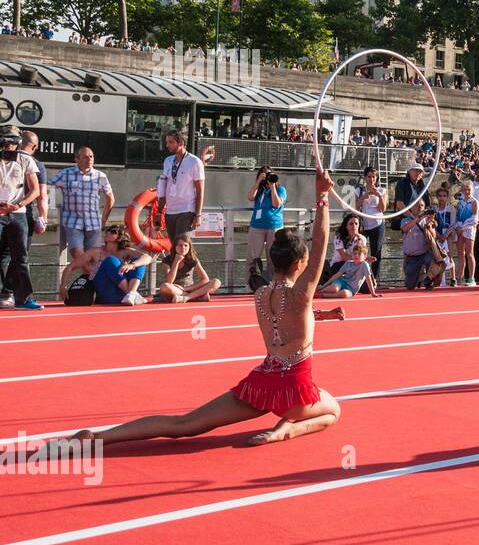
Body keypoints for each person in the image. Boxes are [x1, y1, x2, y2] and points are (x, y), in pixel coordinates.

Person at [40, 171, 342, 452]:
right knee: (334, 412)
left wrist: (321, 315)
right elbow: (320, 248)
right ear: (300, 265)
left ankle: (97, 437)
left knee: (184, 424)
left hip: (261, 385)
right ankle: (286, 429)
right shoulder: (302, 295)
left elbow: (286, 320)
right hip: (295, 393)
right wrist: (322, 199)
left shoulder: (262, 294)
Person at [0, 125, 41, 310]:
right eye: (6, 141)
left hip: (18, 214)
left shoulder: (26, 160)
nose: (9, 146)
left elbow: (35, 190)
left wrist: (17, 205)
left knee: (21, 258)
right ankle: (3, 295)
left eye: (13, 142)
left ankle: (24, 299)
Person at [49, 145, 114, 260]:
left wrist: (103, 220)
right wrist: (49, 207)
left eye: (91, 156)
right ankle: (90, 275)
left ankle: (90, 277)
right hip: (72, 221)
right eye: (85, 157)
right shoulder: (65, 174)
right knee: (77, 254)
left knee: (94, 257)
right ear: (76, 160)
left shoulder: (101, 176)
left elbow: (110, 198)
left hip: (93, 222)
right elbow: (47, 187)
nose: (89, 160)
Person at [156, 130, 205, 253]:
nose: (167, 145)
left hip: (186, 210)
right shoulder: (167, 161)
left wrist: (198, 215)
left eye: (171, 142)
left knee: (183, 247)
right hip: (170, 211)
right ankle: (176, 272)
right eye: (167, 142)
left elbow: (200, 191)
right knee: (174, 248)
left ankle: (187, 272)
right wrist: (159, 211)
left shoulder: (195, 162)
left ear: (181, 142)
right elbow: (163, 186)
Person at [155, 234, 221, 303]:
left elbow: (205, 279)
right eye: (180, 245)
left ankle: (187, 297)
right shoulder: (167, 260)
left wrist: (186, 288)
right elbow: (169, 281)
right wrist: (176, 262)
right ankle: (197, 297)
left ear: (189, 247)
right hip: (175, 289)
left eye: (186, 245)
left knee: (216, 282)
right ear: (175, 247)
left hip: (191, 288)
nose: (183, 248)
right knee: (164, 287)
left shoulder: (192, 259)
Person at [247, 167, 287, 271]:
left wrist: (272, 186)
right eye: (265, 175)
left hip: (274, 227)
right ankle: (250, 283)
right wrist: (259, 181)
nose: (267, 177)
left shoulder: (280, 189)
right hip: (257, 226)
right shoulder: (259, 189)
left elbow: (276, 204)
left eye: (269, 174)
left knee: (273, 258)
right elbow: (250, 197)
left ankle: (272, 283)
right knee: (252, 258)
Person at [356, 166, 387, 285]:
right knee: (359, 250)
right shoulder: (359, 190)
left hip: (377, 224)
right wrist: (364, 196)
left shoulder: (382, 191)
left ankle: (374, 280)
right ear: (365, 178)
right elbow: (356, 207)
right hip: (364, 224)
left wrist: (379, 196)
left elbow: (382, 208)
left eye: (374, 177)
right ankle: (358, 277)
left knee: (376, 252)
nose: (371, 179)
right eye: (369, 177)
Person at [453, 179, 479, 286]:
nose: (466, 192)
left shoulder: (474, 202)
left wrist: (462, 228)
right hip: (459, 230)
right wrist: (456, 227)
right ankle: (460, 277)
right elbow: (457, 216)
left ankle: (472, 278)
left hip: (469, 230)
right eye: (464, 190)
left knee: (469, 254)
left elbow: (474, 218)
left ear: (472, 190)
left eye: (468, 189)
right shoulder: (460, 202)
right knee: (460, 254)